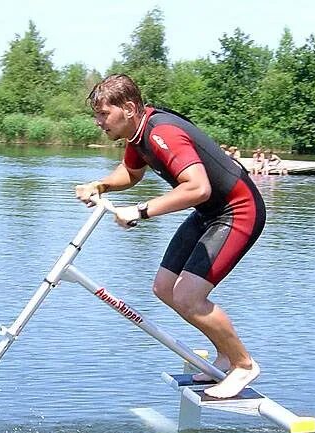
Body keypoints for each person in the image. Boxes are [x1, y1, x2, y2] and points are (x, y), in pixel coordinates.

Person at [74, 74, 264, 399]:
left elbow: (198, 187)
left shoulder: (162, 133)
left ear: (129, 108)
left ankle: (244, 364)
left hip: (238, 210)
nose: (98, 122)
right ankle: (225, 355)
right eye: (96, 114)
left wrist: (141, 210)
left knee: (189, 296)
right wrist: (101, 185)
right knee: (164, 288)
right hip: (209, 213)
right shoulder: (137, 136)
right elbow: (131, 174)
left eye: (103, 114)